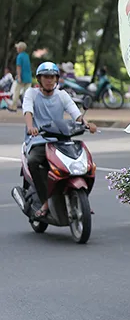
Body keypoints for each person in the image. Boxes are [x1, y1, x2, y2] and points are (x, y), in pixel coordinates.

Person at [22, 62, 97, 217]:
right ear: (39, 79)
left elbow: (75, 113)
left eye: (52, 77)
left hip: (60, 140)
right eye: (46, 77)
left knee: (84, 164)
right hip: (39, 139)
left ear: (56, 79)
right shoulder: (32, 94)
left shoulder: (62, 95)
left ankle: (82, 201)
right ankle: (45, 201)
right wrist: (30, 127)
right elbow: (27, 111)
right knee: (34, 161)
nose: (49, 80)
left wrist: (87, 124)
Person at [13, 42, 31, 111]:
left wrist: (19, 76)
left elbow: (19, 67)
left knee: (17, 91)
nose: (16, 49)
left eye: (17, 47)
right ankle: (28, 107)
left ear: (20, 48)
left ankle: (14, 106)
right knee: (27, 94)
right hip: (28, 77)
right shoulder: (26, 56)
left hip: (22, 77)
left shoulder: (19, 56)